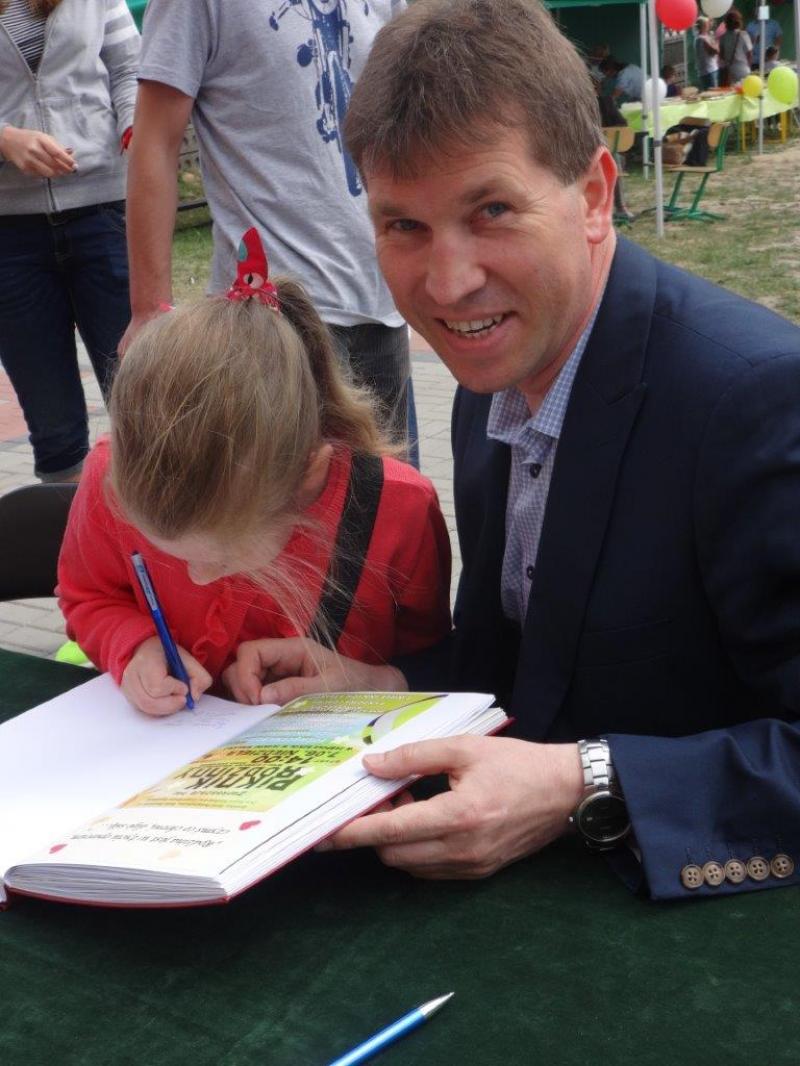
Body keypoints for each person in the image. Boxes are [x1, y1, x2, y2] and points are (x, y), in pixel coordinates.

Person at [244, 0, 800, 902]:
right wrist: (381, 681)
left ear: (593, 194)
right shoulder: (496, 380)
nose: (448, 283)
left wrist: (585, 782)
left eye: (491, 210)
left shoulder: (755, 400)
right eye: (404, 227)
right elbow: (539, 659)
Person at [57, 230, 451, 717]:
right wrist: (135, 645)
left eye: (222, 554)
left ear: (304, 473)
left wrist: (381, 682)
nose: (198, 579)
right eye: (160, 550)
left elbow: (437, 667)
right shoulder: (112, 475)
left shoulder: (398, 508)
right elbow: (87, 594)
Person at [121, 0, 419, 465]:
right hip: (274, 317)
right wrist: (148, 310)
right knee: (285, 525)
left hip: (382, 303)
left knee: (391, 521)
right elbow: (155, 141)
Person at [0, 0, 139, 482]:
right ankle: (69, 548)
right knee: (55, 431)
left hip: (105, 217)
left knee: (143, 408)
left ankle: (156, 547)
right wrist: (4, 138)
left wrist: (134, 129)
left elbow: (129, 68)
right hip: (10, 238)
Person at [718, 8, 753, 86]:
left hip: (730, 72)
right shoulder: (743, 34)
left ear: (726, 23)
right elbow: (750, 54)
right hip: (743, 69)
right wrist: (749, 66)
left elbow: (721, 55)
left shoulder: (723, 37)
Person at [694, 16, 720, 90]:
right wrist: (716, 42)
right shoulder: (702, 39)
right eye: (707, 24)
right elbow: (715, 51)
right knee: (712, 95)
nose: (709, 26)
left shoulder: (699, 38)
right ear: (704, 26)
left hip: (706, 70)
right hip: (709, 71)